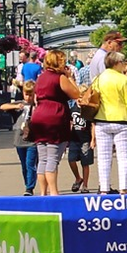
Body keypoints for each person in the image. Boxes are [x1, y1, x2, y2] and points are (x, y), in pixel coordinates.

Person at [28, 50, 81, 195]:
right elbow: (76, 93)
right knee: (52, 156)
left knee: (43, 157)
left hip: (39, 116)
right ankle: (54, 192)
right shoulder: (59, 78)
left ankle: (43, 192)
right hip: (55, 116)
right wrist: (70, 77)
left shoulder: (41, 78)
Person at [93, 52, 127, 194]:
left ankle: (104, 189)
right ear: (116, 63)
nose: (123, 65)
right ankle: (123, 188)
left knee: (103, 157)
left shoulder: (99, 79)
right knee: (124, 156)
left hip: (102, 119)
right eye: (121, 62)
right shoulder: (123, 79)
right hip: (122, 120)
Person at [0, 80, 38, 196]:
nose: (28, 97)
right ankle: (27, 183)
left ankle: (29, 187)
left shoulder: (37, 106)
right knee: (24, 165)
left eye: (31, 94)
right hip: (19, 139)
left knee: (30, 163)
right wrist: (16, 106)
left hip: (32, 140)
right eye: (27, 94)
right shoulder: (20, 104)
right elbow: (2, 106)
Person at [67, 84, 94, 194]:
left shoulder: (88, 109)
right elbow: (69, 122)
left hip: (85, 139)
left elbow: (93, 125)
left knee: (85, 162)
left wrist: (93, 139)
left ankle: (85, 185)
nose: (79, 100)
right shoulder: (73, 108)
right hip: (74, 138)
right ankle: (78, 178)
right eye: (78, 97)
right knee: (71, 159)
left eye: (82, 97)